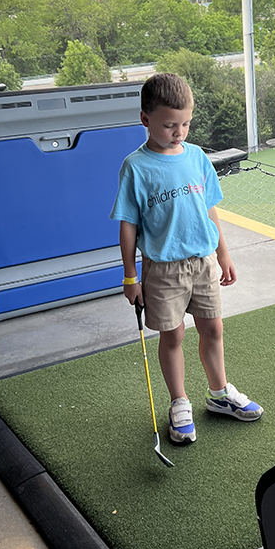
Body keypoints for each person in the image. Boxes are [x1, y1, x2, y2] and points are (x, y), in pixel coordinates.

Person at [110, 72, 263, 445]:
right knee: (173, 334)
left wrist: (223, 254)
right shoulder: (136, 167)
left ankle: (219, 394)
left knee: (213, 329)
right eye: (169, 125)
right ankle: (180, 402)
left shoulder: (196, 157)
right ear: (145, 119)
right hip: (163, 269)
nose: (179, 132)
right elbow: (128, 226)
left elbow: (210, 209)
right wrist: (131, 277)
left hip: (204, 262)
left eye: (185, 124)